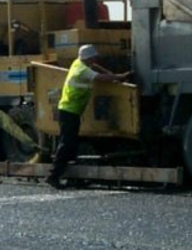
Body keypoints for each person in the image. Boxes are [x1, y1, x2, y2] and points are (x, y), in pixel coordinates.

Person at [47, 44, 131, 189]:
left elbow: (97, 67)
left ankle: (70, 176)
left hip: (71, 111)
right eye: (93, 57)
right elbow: (100, 77)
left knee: (71, 143)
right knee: (66, 143)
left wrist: (113, 74)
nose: (95, 59)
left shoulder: (78, 63)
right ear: (88, 58)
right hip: (69, 110)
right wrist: (120, 76)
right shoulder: (82, 70)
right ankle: (53, 175)